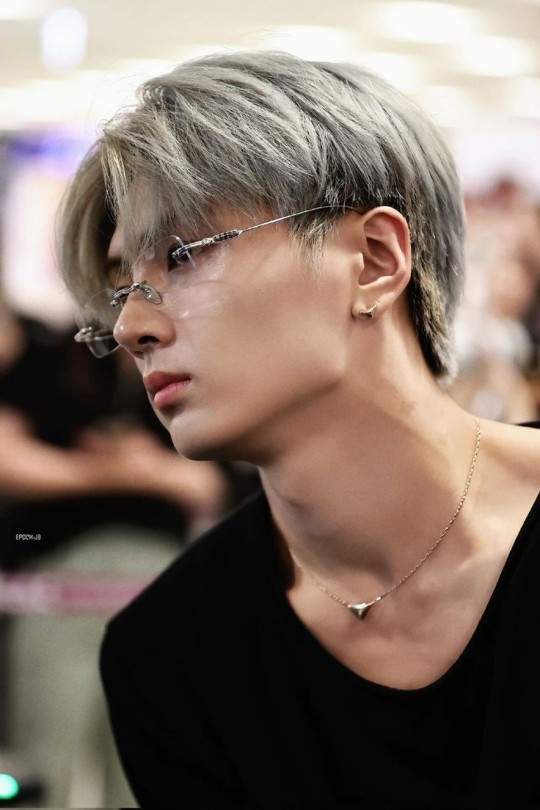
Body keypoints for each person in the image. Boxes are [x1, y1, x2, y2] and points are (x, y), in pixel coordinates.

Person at [56, 51, 540, 809]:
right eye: (122, 290)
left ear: (374, 260)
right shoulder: (173, 652)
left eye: (182, 255)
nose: (131, 327)